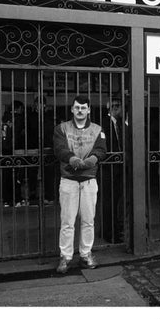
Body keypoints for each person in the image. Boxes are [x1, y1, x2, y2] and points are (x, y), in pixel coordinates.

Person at [53, 95, 107, 274]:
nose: (80, 111)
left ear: (89, 110)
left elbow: (101, 149)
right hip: (69, 179)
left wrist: (92, 159)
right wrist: (73, 159)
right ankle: (65, 256)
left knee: (88, 220)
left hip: (89, 179)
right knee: (67, 221)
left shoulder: (97, 129)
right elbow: (60, 149)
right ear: (72, 109)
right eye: (77, 108)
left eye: (83, 108)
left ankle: (86, 254)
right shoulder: (61, 128)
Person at [100, 97, 131, 243]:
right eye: (119, 107)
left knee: (117, 200)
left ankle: (115, 229)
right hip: (109, 167)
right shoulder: (103, 123)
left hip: (119, 167)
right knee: (109, 201)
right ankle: (109, 232)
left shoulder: (119, 123)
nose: (122, 110)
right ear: (114, 108)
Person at [27, 95, 57, 205]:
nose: (40, 106)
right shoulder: (30, 116)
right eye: (38, 104)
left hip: (47, 147)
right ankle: (32, 195)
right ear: (35, 105)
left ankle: (49, 195)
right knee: (32, 173)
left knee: (48, 173)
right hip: (33, 148)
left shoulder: (48, 116)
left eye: (42, 104)